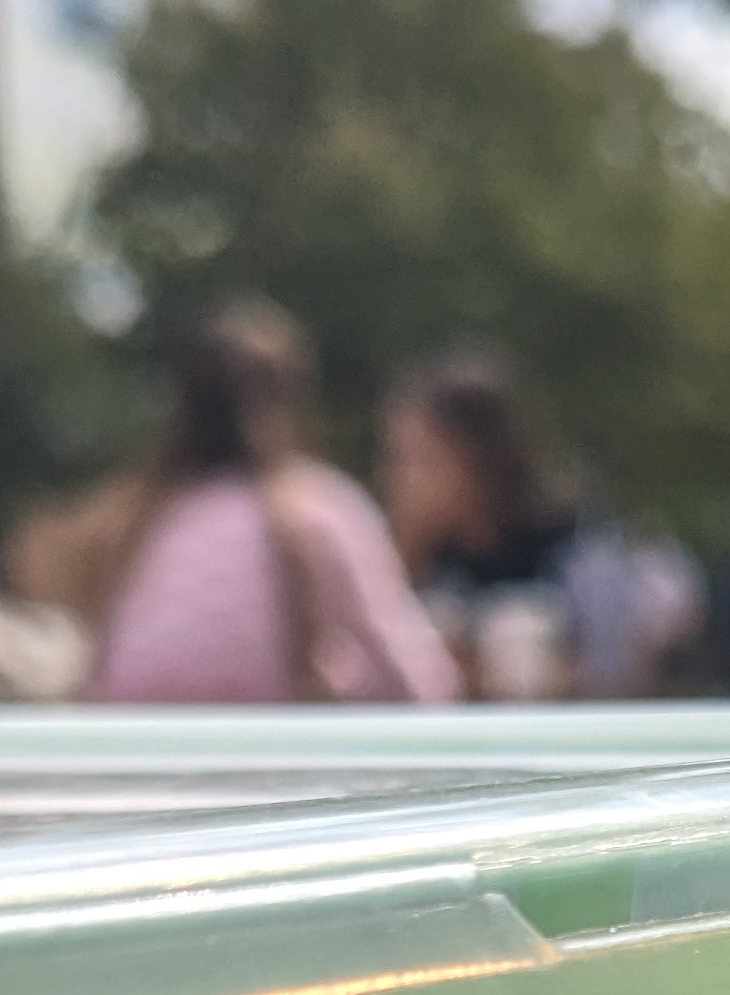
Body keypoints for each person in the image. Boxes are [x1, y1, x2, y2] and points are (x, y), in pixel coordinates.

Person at [44, 302, 457, 705]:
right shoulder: (313, 508)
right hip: (251, 736)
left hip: (132, 735)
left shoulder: (140, 518)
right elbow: (413, 675)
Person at [380, 353, 698, 699]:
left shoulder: (575, 546)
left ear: (480, 457)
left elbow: (616, 677)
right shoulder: (412, 559)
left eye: (421, 458)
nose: (401, 479)